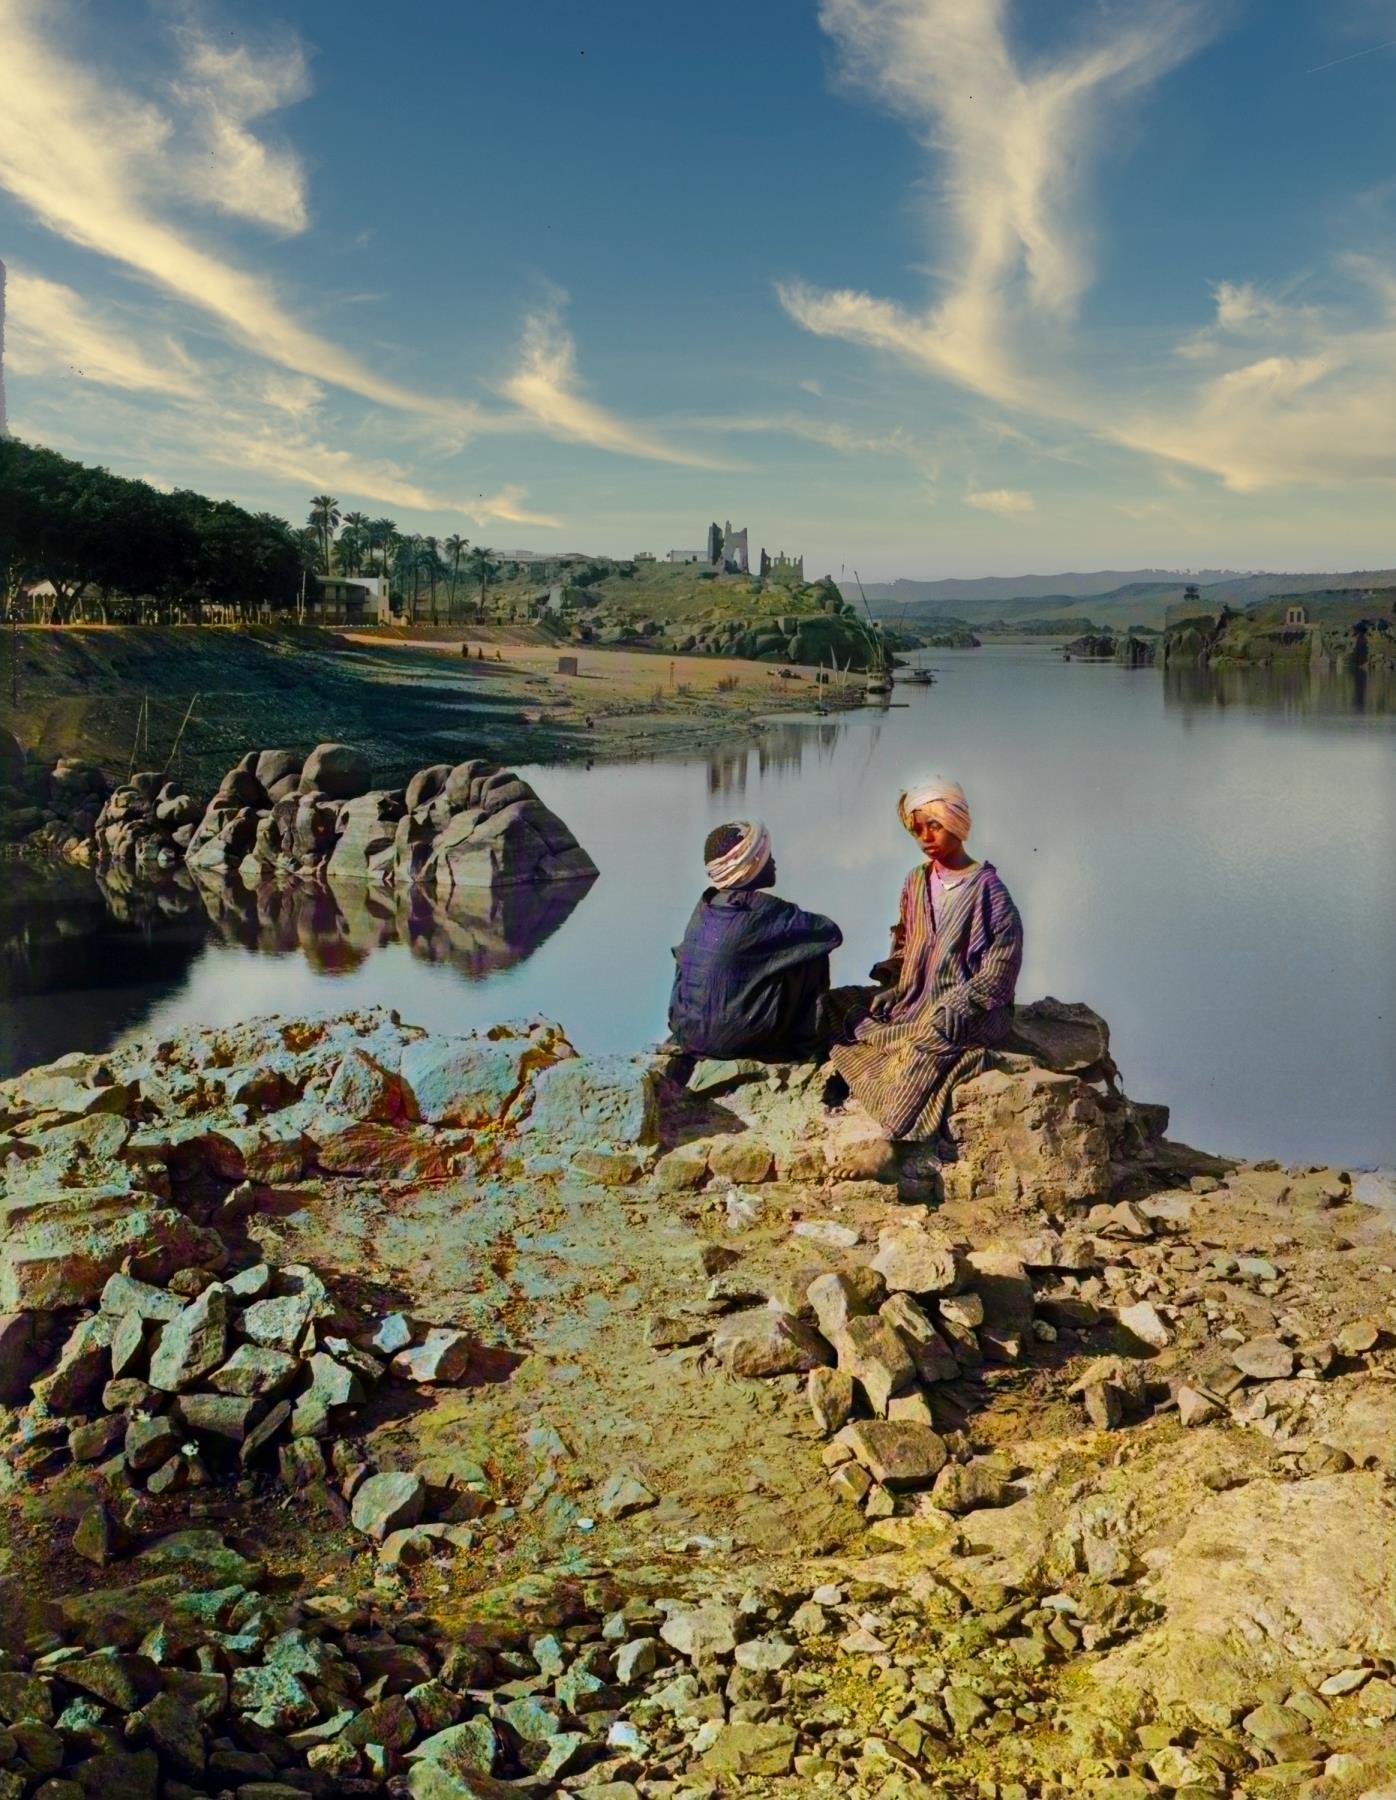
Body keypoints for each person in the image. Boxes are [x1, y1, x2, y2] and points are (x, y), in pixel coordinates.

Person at [828, 778, 1023, 1139]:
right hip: (914, 1001)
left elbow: (1000, 973)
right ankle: (894, 1047)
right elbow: (907, 944)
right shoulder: (915, 881)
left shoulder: (990, 891)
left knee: (933, 1037)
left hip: (971, 1011)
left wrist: (958, 1004)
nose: (925, 838)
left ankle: (892, 1133)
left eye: (934, 826)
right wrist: (894, 985)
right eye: (917, 830)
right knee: (833, 1003)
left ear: (956, 822)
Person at [668, 820, 843, 1062]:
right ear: (751, 865)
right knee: (810, 953)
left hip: (687, 1034)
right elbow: (830, 933)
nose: (773, 862)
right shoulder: (764, 911)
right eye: (767, 856)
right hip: (732, 1044)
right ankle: (804, 1047)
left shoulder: (705, 906)